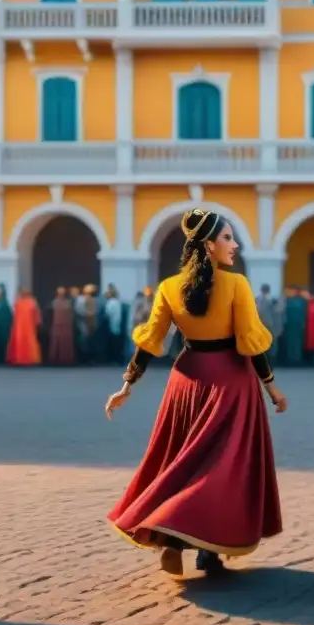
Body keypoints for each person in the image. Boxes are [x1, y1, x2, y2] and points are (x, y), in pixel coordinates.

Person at [104, 209, 287, 578]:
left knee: (180, 463)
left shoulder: (169, 287)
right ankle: (207, 549)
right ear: (208, 244)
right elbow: (251, 343)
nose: (234, 245)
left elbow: (150, 341)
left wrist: (128, 383)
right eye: (227, 238)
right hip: (230, 383)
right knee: (222, 468)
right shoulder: (236, 285)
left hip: (186, 380)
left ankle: (176, 538)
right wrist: (272, 388)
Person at [6, 289, 42, 366]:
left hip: (19, 327)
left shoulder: (18, 302)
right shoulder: (32, 302)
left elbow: (14, 314)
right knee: (28, 342)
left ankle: (18, 358)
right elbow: (37, 315)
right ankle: (28, 359)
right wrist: (37, 323)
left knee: (19, 342)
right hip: (29, 327)